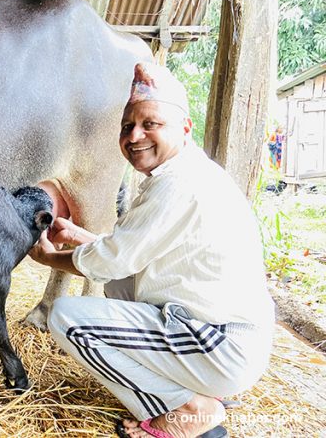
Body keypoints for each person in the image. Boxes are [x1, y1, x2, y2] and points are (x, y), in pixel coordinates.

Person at [29, 62, 275, 438]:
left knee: (67, 318)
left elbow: (113, 260)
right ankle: (199, 393)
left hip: (218, 343)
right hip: (225, 339)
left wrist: (48, 257)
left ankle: (191, 409)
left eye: (150, 124)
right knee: (121, 286)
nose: (135, 135)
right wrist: (80, 235)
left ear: (185, 129)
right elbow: (134, 254)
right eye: (127, 126)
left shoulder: (178, 184)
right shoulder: (189, 174)